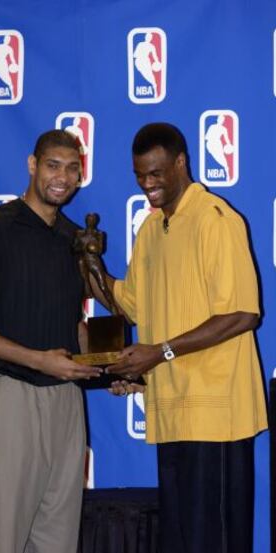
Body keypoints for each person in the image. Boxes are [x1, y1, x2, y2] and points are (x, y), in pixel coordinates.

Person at [106, 123, 267, 553]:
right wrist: (90, 272)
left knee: (212, 541)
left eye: (156, 173)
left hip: (216, 414)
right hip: (173, 409)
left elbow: (242, 313)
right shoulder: (150, 229)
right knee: (180, 541)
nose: (147, 184)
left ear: (181, 163)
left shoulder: (216, 219)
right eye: (140, 175)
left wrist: (159, 353)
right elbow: (133, 304)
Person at [0, 130, 101, 553]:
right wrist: (36, 360)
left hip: (66, 404)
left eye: (72, 168)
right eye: (53, 165)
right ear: (32, 165)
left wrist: (108, 367)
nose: (62, 177)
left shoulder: (73, 240)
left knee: (57, 539)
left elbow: (73, 326)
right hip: (10, 398)